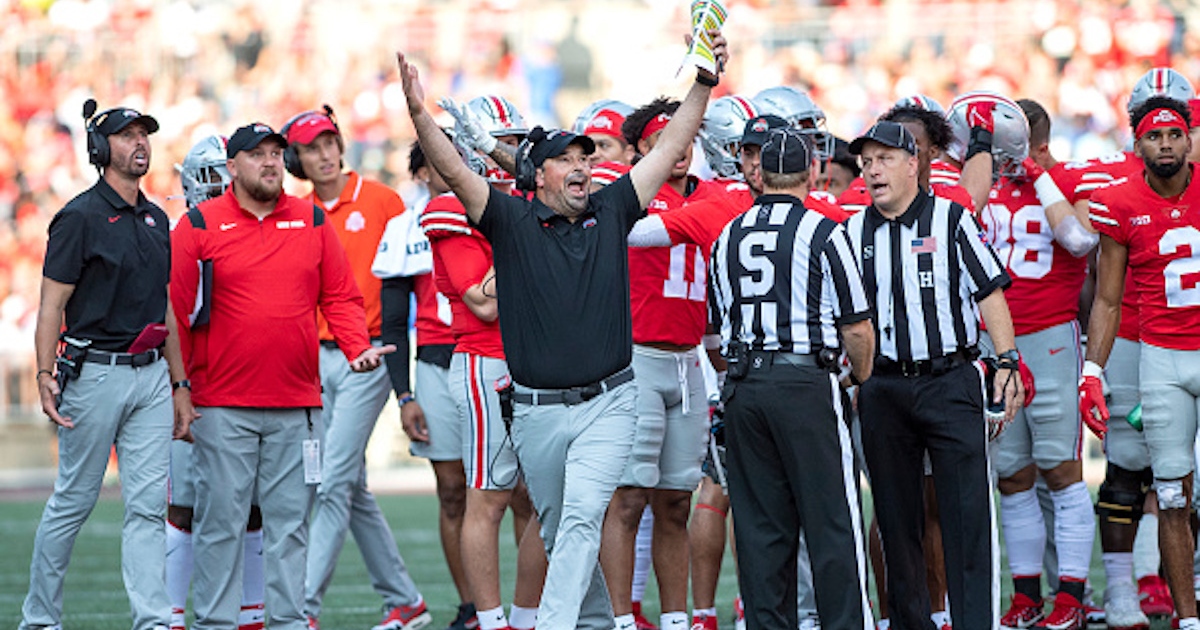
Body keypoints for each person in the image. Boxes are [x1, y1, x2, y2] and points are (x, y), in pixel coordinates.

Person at [397, 22, 727, 627]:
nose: (581, 165)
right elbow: (454, 167)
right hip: (535, 408)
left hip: (608, 400)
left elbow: (667, 144)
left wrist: (703, 84)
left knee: (578, 521)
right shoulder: (508, 219)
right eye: (566, 159)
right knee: (557, 527)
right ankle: (599, 622)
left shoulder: (614, 208)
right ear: (538, 175)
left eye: (585, 155)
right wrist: (419, 115)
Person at [170, 122, 393, 630]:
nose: (270, 163)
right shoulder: (199, 223)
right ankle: (215, 624)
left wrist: (356, 347)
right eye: (256, 155)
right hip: (221, 405)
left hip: (297, 404)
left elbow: (339, 294)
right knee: (221, 525)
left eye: (275, 153)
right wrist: (180, 389)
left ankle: (290, 622)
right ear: (232, 166)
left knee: (290, 527)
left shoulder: (312, 219)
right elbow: (176, 314)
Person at [845, 121, 1023, 630]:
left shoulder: (951, 220)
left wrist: (1007, 361)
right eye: (867, 160)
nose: (872, 169)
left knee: (967, 517)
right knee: (897, 523)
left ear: (913, 164)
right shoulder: (852, 232)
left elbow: (990, 292)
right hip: (883, 387)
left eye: (883, 159)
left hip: (950, 379)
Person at [21, 101, 181, 630]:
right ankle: (39, 619)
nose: (140, 143)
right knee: (74, 500)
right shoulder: (77, 217)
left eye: (144, 134)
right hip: (95, 373)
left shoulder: (158, 218)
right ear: (99, 148)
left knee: (147, 508)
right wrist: (45, 375)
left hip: (152, 376)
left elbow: (167, 307)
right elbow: (51, 306)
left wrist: (179, 383)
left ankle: (154, 620)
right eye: (126, 134)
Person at [707, 126, 875, 630]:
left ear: (759, 175)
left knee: (761, 533)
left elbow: (715, 336)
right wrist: (856, 380)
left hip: (742, 386)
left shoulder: (726, 236)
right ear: (814, 171)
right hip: (804, 383)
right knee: (833, 526)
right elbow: (858, 329)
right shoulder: (825, 232)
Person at [281, 107, 431, 630]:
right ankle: (405, 600)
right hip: (313, 360)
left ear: (341, 144)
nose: (323, 155)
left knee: (331, 481)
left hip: (369, 356)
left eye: (328, 143)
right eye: (309, 148)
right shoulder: (295, 212)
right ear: (294, 159)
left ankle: (301, 610)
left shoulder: (383, 201)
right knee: (350, 487)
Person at [975, 96, 1096, 630]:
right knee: (1013, 476)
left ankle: (1071, 595)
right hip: (993, 344)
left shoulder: (1067, 178)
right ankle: (1027, 596)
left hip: (1050, 339)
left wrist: (1038, 175)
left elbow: (1077, 240)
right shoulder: (983, 182)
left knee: (1063, 471)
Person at [600, 96, 719, 630]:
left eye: (685, 138)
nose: (679, 150)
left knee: (676, 503)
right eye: (662, 142)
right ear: (640, 150)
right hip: (638, 359)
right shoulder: (627, 197)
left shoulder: (710, 195)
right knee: (627, 500)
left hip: (689, 362)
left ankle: (676, 619)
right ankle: (623, 619)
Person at [1084, 96, 1200, 630]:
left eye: (1175, 134)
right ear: (1138, 146)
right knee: (1171, 492)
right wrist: (1092, 370)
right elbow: (1107, 299)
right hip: (1159, 358)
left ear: (1188, 138)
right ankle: (1188, 617)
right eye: (1156, 137)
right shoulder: (1120, 201)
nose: (1167, 145)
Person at [420, 144, 544, 630]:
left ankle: (529, 617)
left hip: (540, 361)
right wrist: (522, 226)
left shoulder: (527, 204)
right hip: (487, 362)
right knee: (489, 496)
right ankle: (492, 621)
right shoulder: (452, 210)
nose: (514, 155)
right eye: (504, 143)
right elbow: (483, 303)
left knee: (549, 501)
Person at [167, 134, 267, 630]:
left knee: (252, 505)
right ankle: (170, 611)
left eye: (221, 176)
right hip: (193, 382)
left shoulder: (261, 228)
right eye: (208, 177)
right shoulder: (178, 231)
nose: (218, 187)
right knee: (184, 503)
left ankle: (250, 609)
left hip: (246, 384)